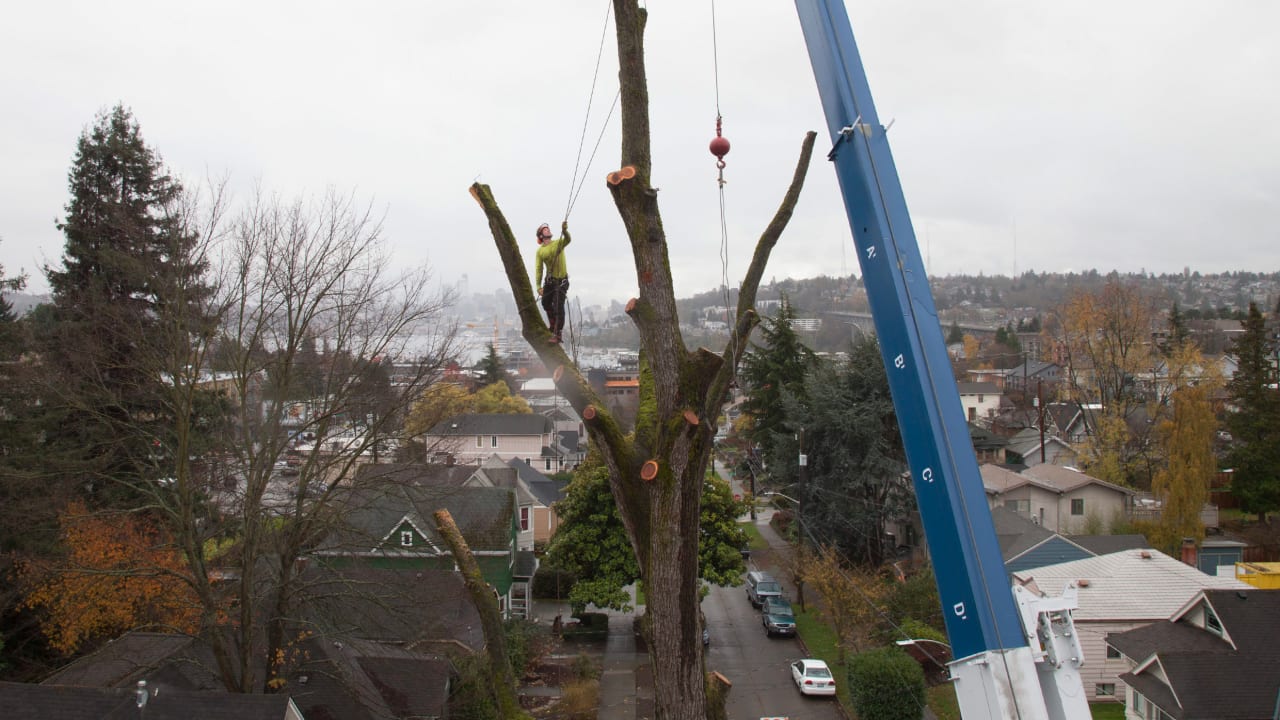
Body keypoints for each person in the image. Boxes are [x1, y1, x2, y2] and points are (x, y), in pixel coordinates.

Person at [535, 221, 572, 343]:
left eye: (548, 229)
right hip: (550, 281)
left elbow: (568, 239)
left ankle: (558, 333)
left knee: (558, 306)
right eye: (545, 230)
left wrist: (565, 230)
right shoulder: (540, 252)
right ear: (541, 236)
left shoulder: (558, 243)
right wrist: (538, 286)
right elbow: (539, 269)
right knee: (545, 303)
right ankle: (552, 325)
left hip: (561, 281)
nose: (548, 230)